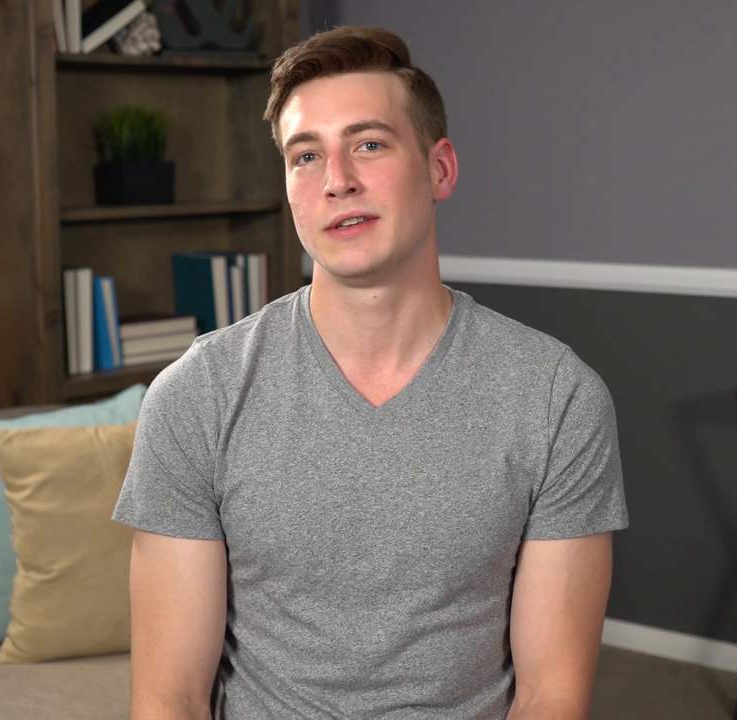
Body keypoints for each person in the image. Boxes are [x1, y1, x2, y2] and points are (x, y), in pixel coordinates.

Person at [112, 25, 629, 720]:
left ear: (440, 169)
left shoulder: (556, 398)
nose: (337, 181)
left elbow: (551, 696)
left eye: (369, 145)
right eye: (305, 156)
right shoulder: (196, 395)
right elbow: (169, 698)